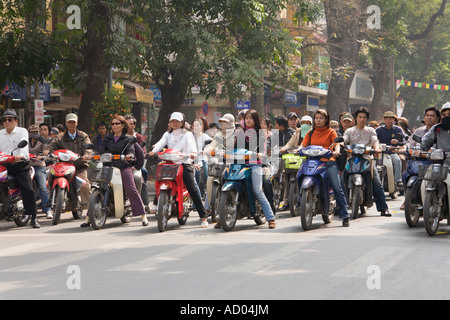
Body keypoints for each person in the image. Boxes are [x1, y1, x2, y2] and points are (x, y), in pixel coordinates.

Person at [149, 112, 209, 228]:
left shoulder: (187, 135)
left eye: (177, 121)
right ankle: (157, 203)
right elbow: (160, 143)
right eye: (173, 121)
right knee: (160, 177)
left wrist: (193, 153)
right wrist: (154, 151)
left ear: (182, 123)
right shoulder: (167, 134)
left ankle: (203, 216)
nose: (175, 123)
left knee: (192, 188)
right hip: (169, 163)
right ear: (170, 122)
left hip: (183, 164)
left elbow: (192, 146)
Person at [90, 114, 147, 226]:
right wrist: (92, 155)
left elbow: (131, 151)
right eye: (112, 124)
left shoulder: (129, 139)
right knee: (99, 186)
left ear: (123, 125)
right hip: (108, 166)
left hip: (123, 166)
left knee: (131, 188)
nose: (114, 126)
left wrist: (129, 156)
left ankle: (143, 215)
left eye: (117, 123)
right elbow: (101, 150)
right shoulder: (107, 138)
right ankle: (88, 218)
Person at [298, 109, 350, 227]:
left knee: (337, 187)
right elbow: (303, 144)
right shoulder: (310, 133)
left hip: (328, 163)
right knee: (299, 175)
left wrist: (336, 152)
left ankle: (344, 215)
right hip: (311, 162)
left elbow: (336, 144)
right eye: (316, 118)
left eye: (321, 118)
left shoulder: (331, 132)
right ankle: (298, 201)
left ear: (326, 120)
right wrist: (299, 149)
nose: (318, 120)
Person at [343, 107, 391, 217]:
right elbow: (344, 140)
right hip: (351, 159)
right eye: (360, 117)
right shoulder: (349, 131)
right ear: (355, 118)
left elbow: (375, 141)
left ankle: (383, 208)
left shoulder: (371, 131)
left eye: (364, 117)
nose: (362, 119)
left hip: (367, 159)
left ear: (367, 119)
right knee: (342, 180)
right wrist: (341, 145)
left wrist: (377, 148)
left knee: (377, 183)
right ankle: (340, 206)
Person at [45, 113, 92, 223]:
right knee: (48, 178)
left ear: (77, 123)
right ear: (66, 123)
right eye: (69, 122)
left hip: (79, 166)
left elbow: (88, 147)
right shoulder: (60, 137)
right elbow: (51, 145)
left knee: (84, 185)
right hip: (63, 166)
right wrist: (47, 150)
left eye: (73, 122)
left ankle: (91, 209)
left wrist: (86, 155)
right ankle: (49, 201)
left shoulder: (83, 136)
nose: (71, 124)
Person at [234, 109, 276, 229]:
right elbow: (235, 148)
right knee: (225, 180)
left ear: (256, 120)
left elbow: (263, 149)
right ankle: (222, 215)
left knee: (257, 190)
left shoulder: (260, 134)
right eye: (246, 118)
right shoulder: (240, 133)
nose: (248, 120)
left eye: (251, 118)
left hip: (255, 164)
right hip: (240, 164)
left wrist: (260, 154)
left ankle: (270, 218)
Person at [0, 109, 40, 228]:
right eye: (4, 120)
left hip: (20, 165)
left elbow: (24, 148)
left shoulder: (22, 132)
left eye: (10, 119)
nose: (7, 122)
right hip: (3, 165)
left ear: (16, 121)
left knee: (27, 188)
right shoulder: (0, 133)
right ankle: (4, 209)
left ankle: (33, 216)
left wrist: (19, 156)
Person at [124, 115, 151, 214]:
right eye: (126, 124)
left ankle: (145, 204)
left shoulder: (138, 137)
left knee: (141, 177)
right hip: (122, 164)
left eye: (131, 124)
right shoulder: (119, 136)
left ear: (134, 125)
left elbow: (142, 151)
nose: (129, 126)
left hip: (136, 164)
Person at [375, 111, 406, 189]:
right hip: (381, 153)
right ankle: (375, 181)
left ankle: (398, 180)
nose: (388, 120)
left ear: (394, 120)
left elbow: (404, 141)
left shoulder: (398, 129)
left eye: (390, 119)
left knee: (398, 160)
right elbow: (373, 140)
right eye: (386, 119)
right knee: (375, 164)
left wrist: (397, 142)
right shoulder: (379, 130)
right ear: (384, 120)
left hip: (393, 152)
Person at [28, 124, 52, 219]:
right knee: (27, 188)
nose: (35, 134)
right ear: (29, 133)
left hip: (39, 166)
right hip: (28, 167)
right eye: (32, 132)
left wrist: (41, 156)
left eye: (36, 132)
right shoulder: (26, 142)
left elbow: (46, 153)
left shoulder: (42, 141)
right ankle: (28, 210)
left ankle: (48, 209)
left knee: (42, 187)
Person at [192, 118, 212, 213]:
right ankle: (196, 202)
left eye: (198, 125)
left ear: (202, 126)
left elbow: (210, 145)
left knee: (208, 180)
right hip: (192, 161)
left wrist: (205, 151)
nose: (196, 127)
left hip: (203, 160)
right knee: (193, 182)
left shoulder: (205, 137)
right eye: (194, 125)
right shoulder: (190, 137)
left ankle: (207, 203)